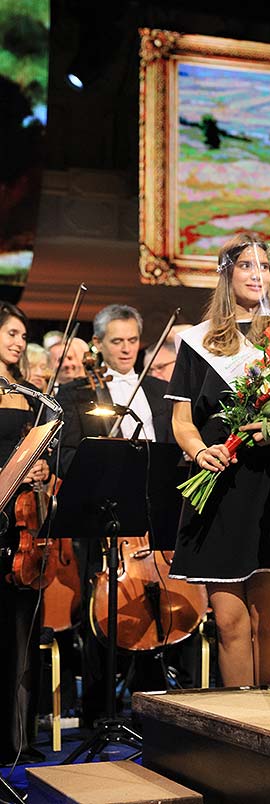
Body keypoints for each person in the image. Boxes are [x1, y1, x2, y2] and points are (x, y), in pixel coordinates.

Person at [167, 233, 270, 687]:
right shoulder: (196, 342)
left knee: (268, 622)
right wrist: (200, 449)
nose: (256, 274)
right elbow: (182, 421)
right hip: (220, 488)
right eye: (246, 265)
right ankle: (238, 727)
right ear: (227, 274)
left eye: (264, 266)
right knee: (229, 623)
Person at [56, 304, 177, 727]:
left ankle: (154, 714)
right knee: (100, 616)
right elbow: (62, 454)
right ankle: (98, 713)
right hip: (101, 516)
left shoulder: (162, 391)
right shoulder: (75, 394)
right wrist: (105, 459)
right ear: (99, 344)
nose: (126, 350)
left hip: (151, 519)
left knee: (156, 609)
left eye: (131, 340)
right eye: (116, 342)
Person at [0, 302, 49, 764]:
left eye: (22, 335)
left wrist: (41, 467)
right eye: (11, 333)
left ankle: (19, 738)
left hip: (22, 528)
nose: (19, 343)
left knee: (23, 635)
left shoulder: (32, 397)